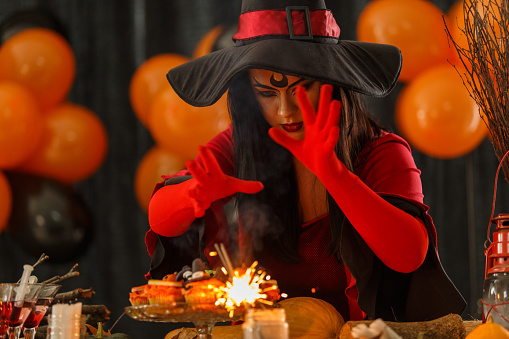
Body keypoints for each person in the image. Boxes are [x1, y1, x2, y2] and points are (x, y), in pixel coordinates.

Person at [145, 0, 466, 322]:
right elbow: (160, 218)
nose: (286, 111)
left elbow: (409, 256)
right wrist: (191, 196)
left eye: (303, 88)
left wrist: (334, 174)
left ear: (331, 80)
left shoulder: (382, 152)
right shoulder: (243, 143)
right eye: (268, 93)